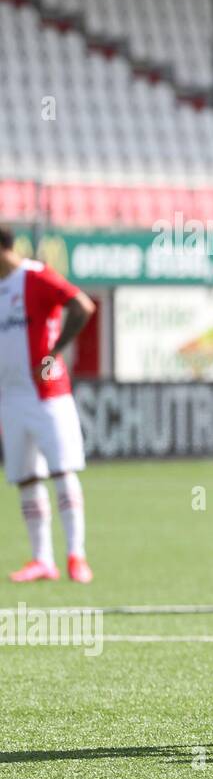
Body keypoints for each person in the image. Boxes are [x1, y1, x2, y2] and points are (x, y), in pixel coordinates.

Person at [0, 225, 96, 585]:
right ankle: (42, 559)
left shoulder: (35, 276)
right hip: (10, 397)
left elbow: (82, 306)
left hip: (47, 395)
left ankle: (76, 556)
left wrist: (54, 353)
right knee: (26, 478)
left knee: (62, 471)